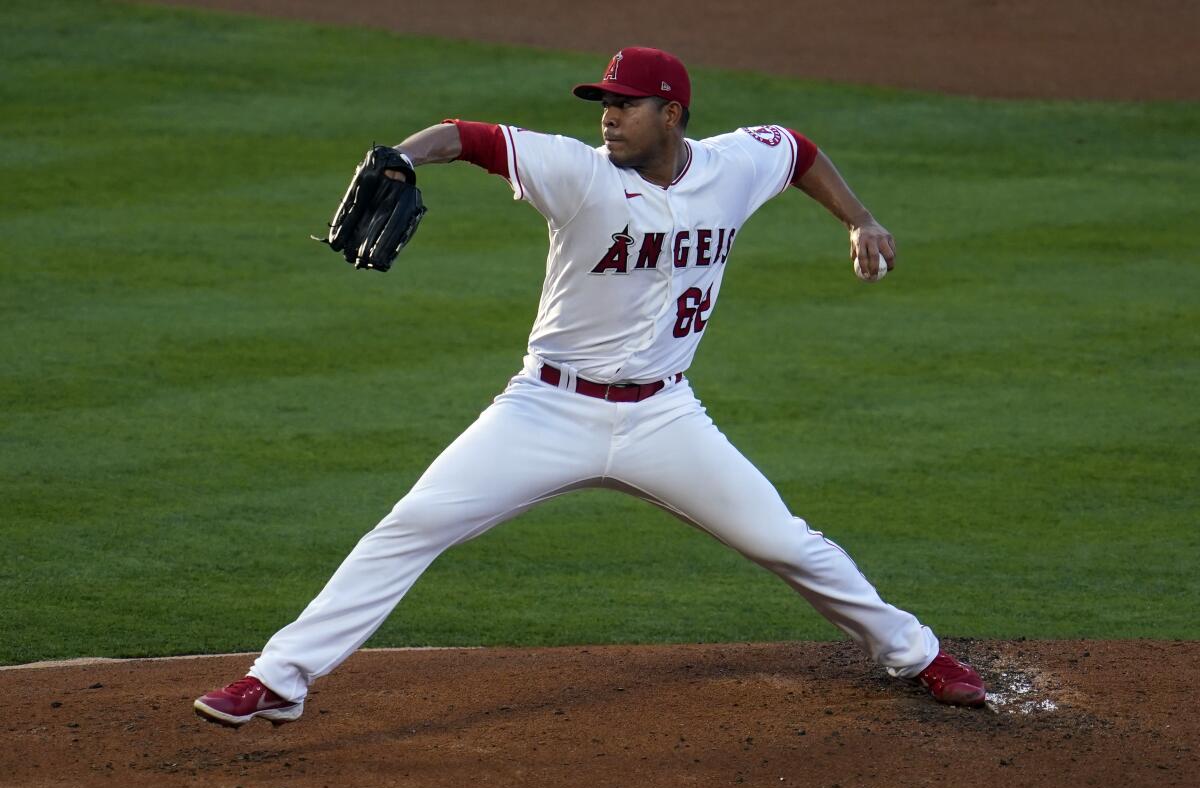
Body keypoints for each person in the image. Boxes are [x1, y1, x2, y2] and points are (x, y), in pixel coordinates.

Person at [194, 46, 986, 727]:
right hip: (546, 408)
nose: (607, 117)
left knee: (784, 542)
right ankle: (277, 679)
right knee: (414, 524)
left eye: (624, 104)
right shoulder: (577, 171)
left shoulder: (735, 165)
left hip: (665, 416)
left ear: (671, 113)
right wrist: (405, 154)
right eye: (602, 103)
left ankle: (917, 655)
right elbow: (468, 137)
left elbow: (800, 151)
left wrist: (859, 218)